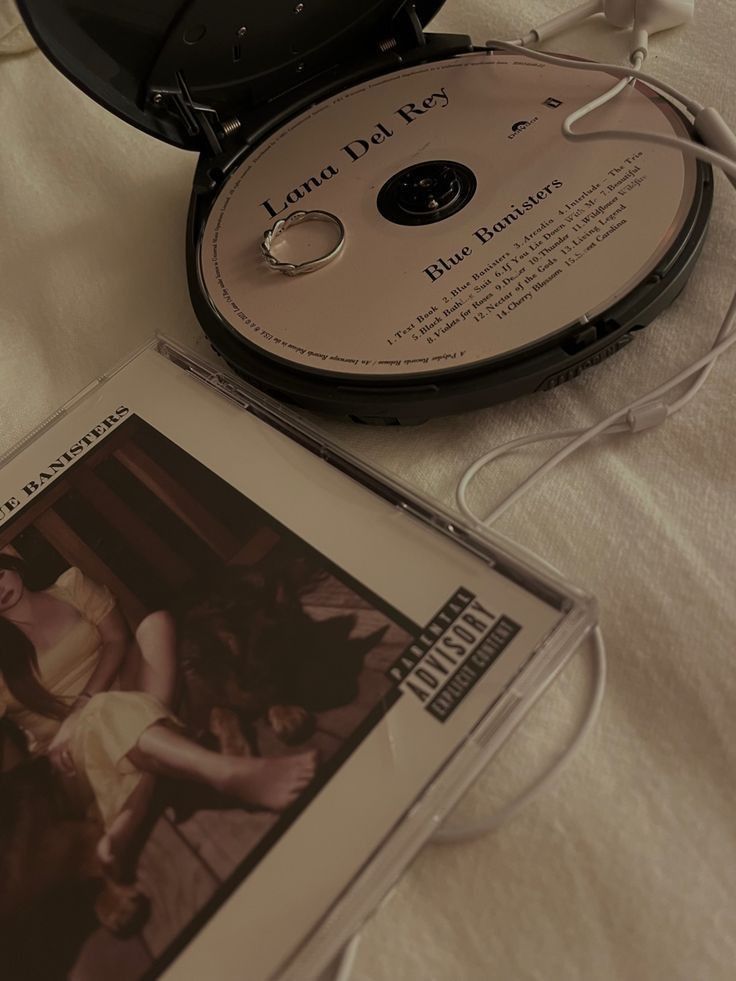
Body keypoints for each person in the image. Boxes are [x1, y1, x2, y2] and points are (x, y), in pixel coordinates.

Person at [0, 552, 317, 881]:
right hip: (71, 758)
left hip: (129, 699)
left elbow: (117, 639)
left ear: (11, 565)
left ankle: (125, 826)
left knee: (156, 624)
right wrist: (78, 720)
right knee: (102, 709)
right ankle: (226, 772)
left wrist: (81, 706)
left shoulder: (71, 587)